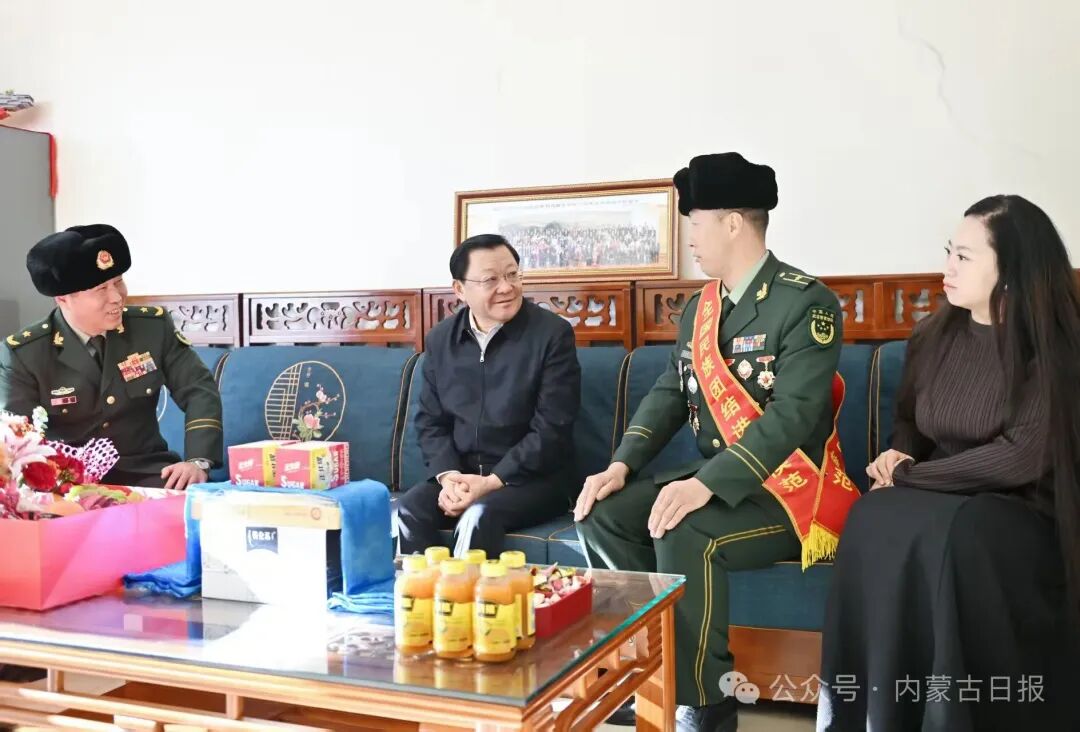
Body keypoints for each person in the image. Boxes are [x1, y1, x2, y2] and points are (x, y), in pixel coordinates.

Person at [576, 153, 857, 731]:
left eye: (696, 224)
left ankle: (703, 701)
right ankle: (649, 666)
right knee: (602, 513)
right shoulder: (702, 307)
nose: (691, 240)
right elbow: (670, 392)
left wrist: (705, 485)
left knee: (684, 528)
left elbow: (795, 414)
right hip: (721, 481)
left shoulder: (805, 301)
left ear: (732, 224)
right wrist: (621, 465)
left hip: (788, 491)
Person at [817, 195, 1080, 731]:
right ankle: (871, 714)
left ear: (1012, 270)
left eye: (964, 256)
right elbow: (911, 422)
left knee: (960, 533)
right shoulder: (933, 336)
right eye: (948, 252)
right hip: (939, 492)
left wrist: (910, 476)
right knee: (870, 514)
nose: (947, 268)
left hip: (1022, 508)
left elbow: (1019, 457)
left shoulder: (1053, 349)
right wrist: (899, 457)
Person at [393, 234, 581, 557]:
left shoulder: (552, 335)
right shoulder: (441, 340)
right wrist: (450, 478)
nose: (506, 287)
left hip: (535, 480)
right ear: (459, 289)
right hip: (463, 472)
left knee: (478, 516)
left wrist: (492, 481)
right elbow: (430, 422)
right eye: (491, 280)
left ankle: (469, 592)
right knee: (410, 511)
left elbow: (552, 429)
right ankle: (424, 591)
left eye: (512, 275)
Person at [0, 224, 222, 489]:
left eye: (118, 282)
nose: (117, 297)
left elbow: (198, 390)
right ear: (63, 299)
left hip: (149, 474)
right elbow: (16, 439)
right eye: (101, 289)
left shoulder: (152, 328)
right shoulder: (25, 354)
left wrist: (198, 461)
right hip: (68, 482)